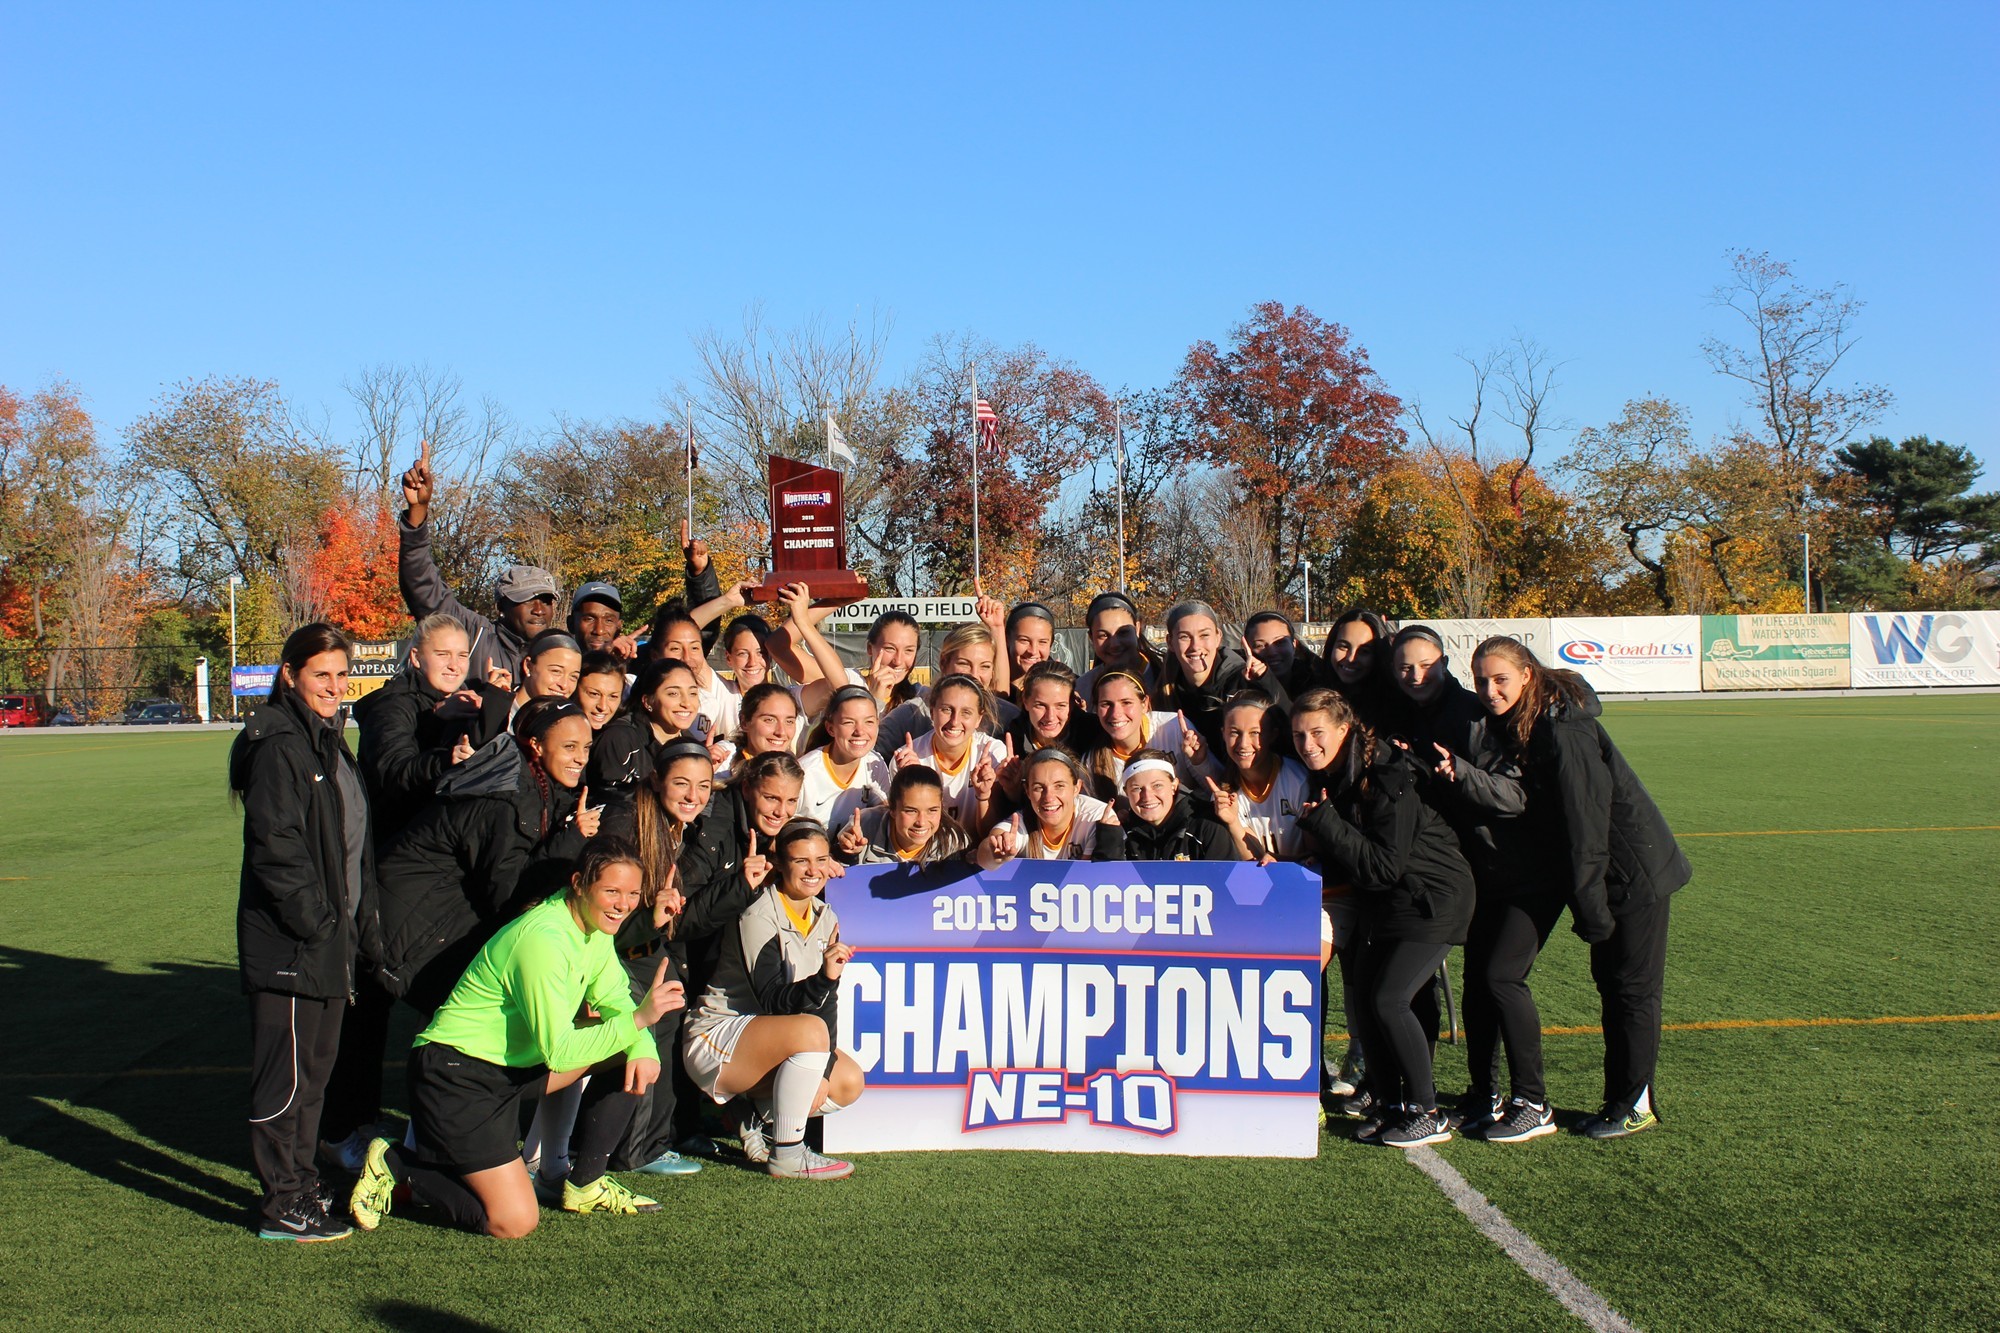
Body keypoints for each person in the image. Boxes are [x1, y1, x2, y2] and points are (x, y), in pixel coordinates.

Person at [347, 837, 689, 1237]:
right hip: (457, 1076)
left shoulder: (595, 927)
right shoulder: (543, 939)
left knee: (629, 1051)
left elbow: (615, 998)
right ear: (579, 884)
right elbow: (560, 1052)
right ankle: (396, 1163)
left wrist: (642, 1045)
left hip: (509, 1074)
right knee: (514, 1221)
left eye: (632, 894)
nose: (623, 905)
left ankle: (585, 1185)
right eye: (611, 891)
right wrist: (640, 1020)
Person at [1477, 637, 1690, 1140]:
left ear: (1527, 675)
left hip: (1633, 872)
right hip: (1604, 872)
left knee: (1631, 990)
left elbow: (1587, 825)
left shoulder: (1564, 728)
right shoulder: (1528, 719)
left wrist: (1592, 906)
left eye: (1501, 679)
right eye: (1482, 681)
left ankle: (1634, 1103)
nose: (1490, 691)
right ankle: (1620, 1099)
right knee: (1613, 986)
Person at [230, 623, 368, 1243]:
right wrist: (317, 921)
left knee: (312, 1080)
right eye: (321, 675)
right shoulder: (279, 744)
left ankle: (302, 1184)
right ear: (289, 675)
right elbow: (275, 848)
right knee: (284, 1083)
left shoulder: (325, 739)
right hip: (292, 944)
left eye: (342, 675)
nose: (334, 687)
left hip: (328, 942)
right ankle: (282, 1202)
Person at [1291, 688, 1475, 1149]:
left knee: (1390, 999)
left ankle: (1426, 1111)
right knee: (1368, 1001)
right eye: (1299, 735)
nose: (1308, 744)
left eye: (1318, 733)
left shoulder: (1386, 771)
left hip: (1431, 897)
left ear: (1344, 730)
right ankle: (1391, 1105)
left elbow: (1383, 866)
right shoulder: (1336, 773)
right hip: (1388, 903)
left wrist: (1325, 822)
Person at [1383, 625, 1541, 1137]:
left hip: (1502, 869)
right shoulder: (1408, 709)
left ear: (1445, 664)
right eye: (1405, 667)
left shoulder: (1471, 715)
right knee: (1470, 988)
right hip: (1454, 867)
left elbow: (1513, 796)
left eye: (1425, 665)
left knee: (1496, 982)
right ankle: (1480, 1093)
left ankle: (1526, 1099)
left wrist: (1458, 774)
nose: (1415, 675)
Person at [682, 819, 864, 1180]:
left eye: (821, 860)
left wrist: (823, 1070)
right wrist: (825, 978)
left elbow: (826, 1002)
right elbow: (773, 1001)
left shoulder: (826, 916)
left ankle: (756, 1116)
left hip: (771, 1039)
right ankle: (788, 1154)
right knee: (811, 1032)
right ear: (779, 863)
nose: (813, 871)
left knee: (847, 1079)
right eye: (800, 861)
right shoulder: (758, 913)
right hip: (717, 1037)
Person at [596, 738, 738, 1180]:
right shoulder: (626, 820)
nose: (693, 795)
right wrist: (650, 920)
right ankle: (636, 1150)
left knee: (668, 1018)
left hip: (644, 945)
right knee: (650, 1028)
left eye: (703, 786)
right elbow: (606, 913)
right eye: (681, 783)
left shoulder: (681, 826)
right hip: (608, 952)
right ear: (657, 781)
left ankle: (656, 1140)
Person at [397, 441, 559, 683]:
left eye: (546, 601)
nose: (539, 610)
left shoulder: (561, 652)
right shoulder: (473, 634)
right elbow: (423, 588)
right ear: (501, 607)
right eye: (526, 599)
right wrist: (418, 512)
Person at [353, 612, 509, 850]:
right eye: (442, 654)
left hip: (440, 844)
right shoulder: (392, 706)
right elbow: (394, 773)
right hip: (394, 845)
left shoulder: (464, 699)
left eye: (462, 655)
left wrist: (495, 700)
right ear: (416, 658)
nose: (454, 665)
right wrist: (446, 755)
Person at [890, 673, 1007, 834]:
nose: (954, 721)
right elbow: (902, 831)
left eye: (966, 712)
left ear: (979, 719)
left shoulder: (993, 753)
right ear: (932, 711)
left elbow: (989, 834)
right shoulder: (905, 758)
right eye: (946, 710)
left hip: (977, 848)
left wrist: (983, 795)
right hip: (928, 847)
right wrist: (916, 782)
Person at [586, 659, 710, 804]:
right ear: (647, 701)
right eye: (673, 694)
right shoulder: (619, 739)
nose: (687, 703)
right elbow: (610, 803)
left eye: (693, 693)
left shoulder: (690, 744)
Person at [877, 622, 1011, 756]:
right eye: (964, 664)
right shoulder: (912, 714)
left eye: (985, 666)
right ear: (943, 663)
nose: (974, 675)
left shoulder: (1007, 717)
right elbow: (870, 758)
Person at [1080, 668, 1211, 801]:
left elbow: (1216, 791)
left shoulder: (1173, 727)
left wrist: (1200, 763)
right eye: (1106, 704)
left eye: (1126, 702)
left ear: (1145, 704)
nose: (1116, 714)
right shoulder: (1091, 763)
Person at [1210, 692, 1310, 861]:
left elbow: (1313, 858)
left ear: (1272, 735)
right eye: (1234, 732)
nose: (1243, 744)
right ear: (1223, 734)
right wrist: (1233, 823)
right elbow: (1251, 862)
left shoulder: (1298, 780)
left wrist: (1278, 861)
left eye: (1255, 733)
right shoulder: (1224, 794)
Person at [1092, 750, 1242, 862]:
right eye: (1137, 789)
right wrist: (1109, 840)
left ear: (1174, 786)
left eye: (1157, 785)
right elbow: (1106, 886)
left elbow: (1227, 883)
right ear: (1126, 792)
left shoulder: (1205, 826)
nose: (1147, 797)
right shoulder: (1122, 831)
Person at [981, 747, 1116, 862]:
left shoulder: (1097, 816)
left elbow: (1091, 875)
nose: (1049, 798)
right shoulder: (1021, 822)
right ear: (1027, 791)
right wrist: (997, 850)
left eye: (1059, 786)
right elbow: (986, 854)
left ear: (1077, 788)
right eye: (1038, 788)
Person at [835, 765, 973, 865]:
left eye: (932, 810)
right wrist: (848, 854)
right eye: (911, 811)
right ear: (892, 808)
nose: (921, 822)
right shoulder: (864, 826)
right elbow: (834, 878)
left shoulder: (954, 842)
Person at [799, 684, 893, 828]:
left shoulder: (875, 763)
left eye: (869, 722)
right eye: (849, 722)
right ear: (830, 728)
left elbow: (886, 818)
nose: (859, 731)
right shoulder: (806, 772)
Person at [1077, 591, 1161, 702]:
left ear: (1137, 629)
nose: (1114, 644)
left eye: (1123, 632)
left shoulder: (1166, 682)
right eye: (1103, 635)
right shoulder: (1082, 689)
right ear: (1091, 637)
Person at [1321, 607, 1396, 729]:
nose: (1351, 658)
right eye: (1344, 647)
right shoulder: (1312, 695)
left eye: (1364, 651)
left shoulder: (1396, 707)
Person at [514, 630, 583, 715]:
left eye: (573, 677)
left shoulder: (569, 721)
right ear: (528, 666)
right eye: (556, 671)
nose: (564, 685)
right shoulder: (500, 707)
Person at [569, 581, 638, 658]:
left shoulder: (630, 661)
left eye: (608, 621)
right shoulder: (559, 659)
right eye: (589, 619)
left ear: (619, 627)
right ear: (571, 624)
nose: (599, 631)